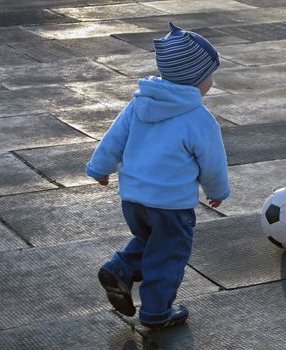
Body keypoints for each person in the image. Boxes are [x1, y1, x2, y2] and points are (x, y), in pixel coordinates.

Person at [86, 23, 230, 329]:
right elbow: (212, 162)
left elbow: (114, 138)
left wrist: (99, 168)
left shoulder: (140, 103)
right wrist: (217, 190)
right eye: (209, 76)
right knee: (168, 255)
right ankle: (156, 312)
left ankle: (121, 267)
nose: (211, 83)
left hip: (133, 200)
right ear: (194, 80)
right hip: (171, 205)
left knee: (152, 241)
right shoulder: (199, 118)